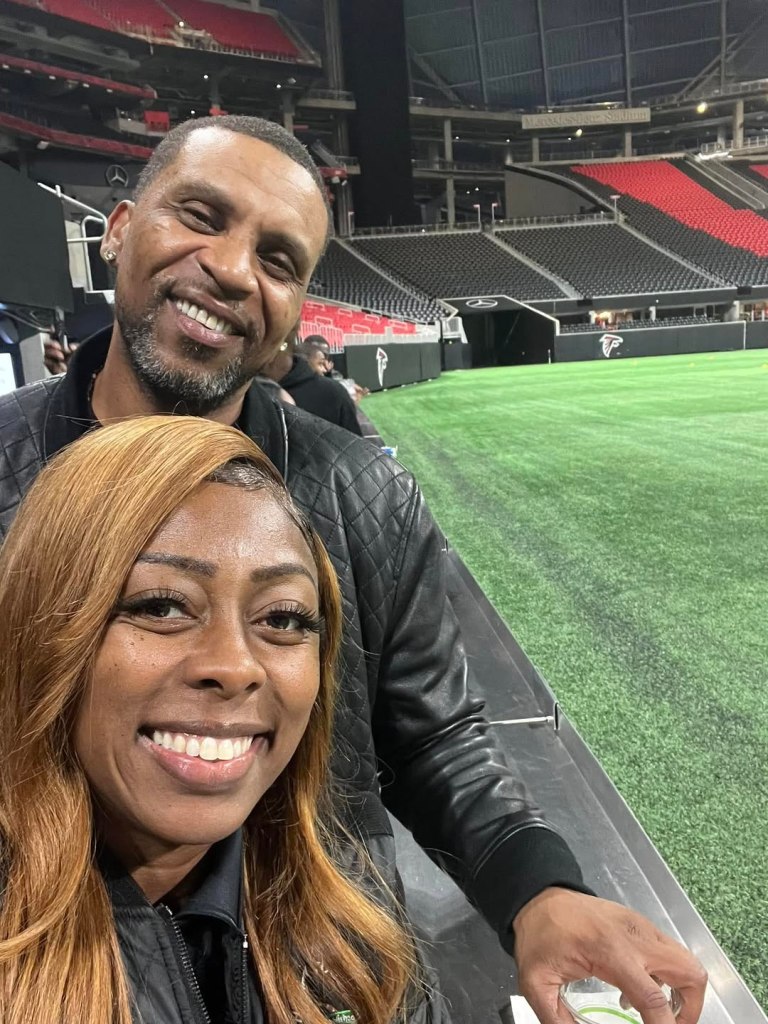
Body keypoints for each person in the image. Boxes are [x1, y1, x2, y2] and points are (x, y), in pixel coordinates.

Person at [0, 115, 706, 1024]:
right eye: (200, 215)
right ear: (121, 228)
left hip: (330, 974)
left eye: (280, 260)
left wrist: (535, 890)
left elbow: (433, 737)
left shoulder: (362, 493)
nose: (229, 267)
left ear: (295, 309)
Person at [0, 415, 429, 1023]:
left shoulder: (356, 936)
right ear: (38, 638)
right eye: (161, 605)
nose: (235, 666)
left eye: (282, 619)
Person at [262, 335, 362, 434]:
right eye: (320, 363)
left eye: (327, 358)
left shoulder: (336, 390)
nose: (325, 368)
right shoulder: (259, 390)